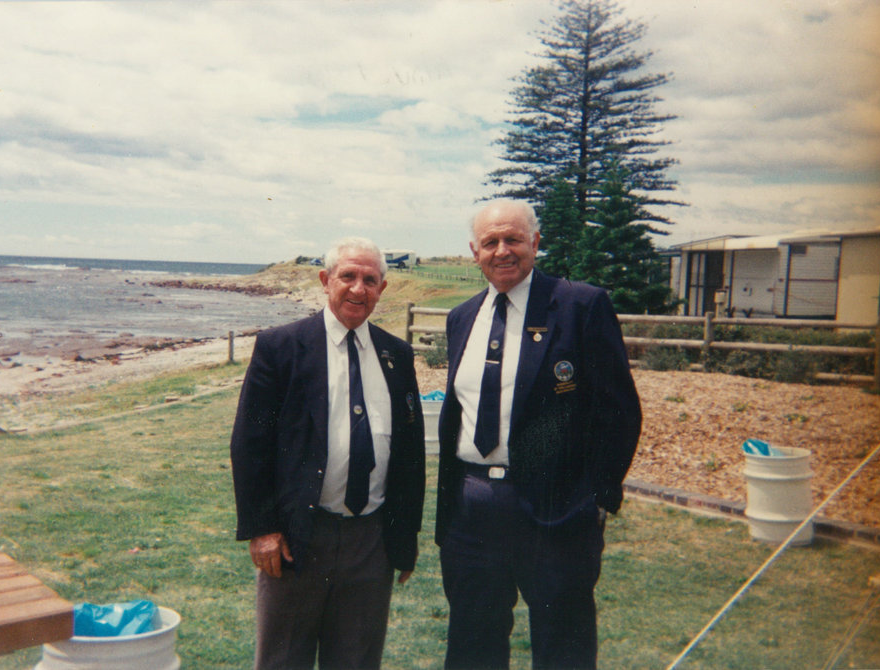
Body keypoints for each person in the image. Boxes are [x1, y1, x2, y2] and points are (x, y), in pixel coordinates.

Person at [435, 199, 642, 669]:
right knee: (472, 645)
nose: (502, 251)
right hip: (471, 511)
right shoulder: (462, 317)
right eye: (490, 242)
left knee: (563, 646)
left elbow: (619, 410)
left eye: (513, 239)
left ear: (535, 243)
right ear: (474, 252)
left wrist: (597, 496)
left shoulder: (579, 305)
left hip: (555, 511)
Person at [230, 237, 425, 670]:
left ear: (382, 289)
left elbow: (410, 455)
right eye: (348, 276)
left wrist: (405, 538)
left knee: (357, 661)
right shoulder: (281, 347)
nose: (358, 289)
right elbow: (250, 444)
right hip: (298, 537)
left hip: (370, 540)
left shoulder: (397, 355)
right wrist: (262, 528)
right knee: (283, 660)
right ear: (325, 280)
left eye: (370, 280)